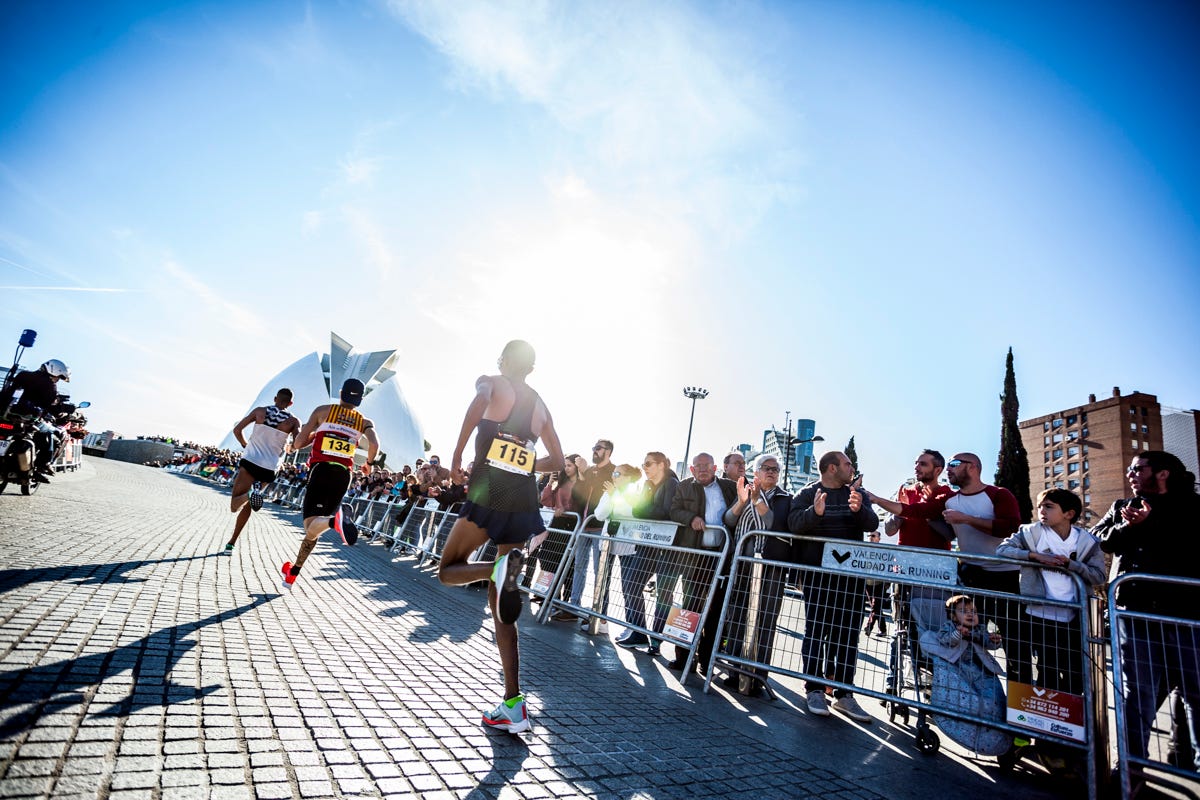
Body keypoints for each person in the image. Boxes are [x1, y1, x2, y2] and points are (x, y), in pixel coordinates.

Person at [437, 340, 565, 735]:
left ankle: (494, 568)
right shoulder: (540, 405)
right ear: (532, 367)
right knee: (501, 609)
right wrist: (527, 462)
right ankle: (514, 703)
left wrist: (458, 453)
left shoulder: (490, 381)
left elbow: (478, 405)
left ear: (504, 360)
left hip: (488, 488)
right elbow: (558, 462)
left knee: (447, 570)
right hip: (522, 497)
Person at [868, 452, 1022, 679]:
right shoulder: (948, 501)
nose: (950, 469)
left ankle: (1020, 708)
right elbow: (914, 512)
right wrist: (877, 499)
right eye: (949, 464)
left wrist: (965, 519)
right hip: (968, 574)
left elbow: (1009, 527)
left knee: (1014, 641)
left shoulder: (998, 494)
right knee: (966, 635)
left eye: (954, 464)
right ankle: (971, 693)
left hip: (1002, 575)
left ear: (973, 467)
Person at [1094, 451, 1200, 777]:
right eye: (1129, 469)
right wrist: (1128, 524)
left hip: (1186, 615)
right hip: (1134, 612)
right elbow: (1100, 539)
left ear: (1163, 473)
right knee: (1137, 693)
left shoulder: (1193, 507)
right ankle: (1130, 767)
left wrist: (1149, 523)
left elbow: (1185, 544)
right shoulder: (1123, 507)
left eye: (1138, 468)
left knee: (1195, 693)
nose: (1131, 474)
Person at [788, 450, 878, 722]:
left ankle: (845, 694)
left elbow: (872, 523)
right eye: (847, 463)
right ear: (830, 468)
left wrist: (859, 509)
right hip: (818, 576)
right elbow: (794, 525)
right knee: (816, 631)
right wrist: (814, 513)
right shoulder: (806, 494)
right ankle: (814, 688)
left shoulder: (855, 494)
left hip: (850, 578)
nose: (852, 467)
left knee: (848, 634)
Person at [996, 488, 1106, 695]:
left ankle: (1071, 720)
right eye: (1039, 506)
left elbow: (1098, 576)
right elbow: (1002, 550)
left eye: (1048, 506)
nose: (1041, 511)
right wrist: (1034, 556)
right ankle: (1048, 720)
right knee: (1047, 669)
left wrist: (1071, 565)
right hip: (1038, 614)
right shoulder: (1030, 533)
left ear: (1069, 514)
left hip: (1074, 617)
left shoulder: (1087, 541)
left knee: (1075, 673)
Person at [280, 379, 379, 589]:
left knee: (310, 525)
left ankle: (335, 522)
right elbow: (375, 444)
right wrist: (369, 464)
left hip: (321, 470)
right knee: (315, 527)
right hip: (344, 475)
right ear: (360, 400)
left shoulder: (323, 411)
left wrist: (309, 437)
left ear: (341, 393)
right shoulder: (364, 421)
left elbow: (298, 443)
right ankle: (293, 572)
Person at [719, 454, 792, 696]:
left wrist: (757, 500)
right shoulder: (744, 492)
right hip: (742, 567)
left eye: (775, 469)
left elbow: (771, 523)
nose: (771, 472)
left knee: (765, 621)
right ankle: (734, 671)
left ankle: (757, 676)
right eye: (766, 468)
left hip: (770, 568)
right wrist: (742, 502)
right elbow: (729, 519)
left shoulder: (785, 499)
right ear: (756, 472)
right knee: (737, 616)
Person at [666, 452, 736, 673]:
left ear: (715, 468)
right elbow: (674, 510)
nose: (703, 469)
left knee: (716, 610)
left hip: (722, 556)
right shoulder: (684, 486)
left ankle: (707, 660)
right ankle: (683, 657)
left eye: (707, 465)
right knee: (689, 606)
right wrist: (691, 518)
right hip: (695, 555)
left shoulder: (729, 487)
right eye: (698, 466)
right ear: (692, 470)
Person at [617, 451, 679, 654]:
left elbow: (667, 512)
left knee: (664, 593)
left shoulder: (671, 483)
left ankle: (657, 640)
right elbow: (637, 511)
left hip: (667, 547)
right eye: (643, 464)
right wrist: (648, 510)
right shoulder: (646, 485)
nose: (645, 467)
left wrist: (647, 510)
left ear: (662, 465)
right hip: (646, 545)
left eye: (649, 464)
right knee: (631, 584)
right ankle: (638, 631)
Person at [224, 389, 301, 553]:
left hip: (251, 460)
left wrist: (246, 445)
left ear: (275, 398)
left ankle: (251, 493)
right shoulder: (294, 421)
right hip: (270, 468)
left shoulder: (260, 411)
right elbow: (298, 443)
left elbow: (237, 430)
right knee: (249, 507)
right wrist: (291, 448)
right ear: (290, 403)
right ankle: (231, 543)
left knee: (234, 505)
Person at [552, 439, 615, 625]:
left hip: (599, 527)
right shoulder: (591, 471)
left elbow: (602, 488)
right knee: (579, 567)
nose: (594, 451)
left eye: (598, 448)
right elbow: (579, 493)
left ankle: (599, 615)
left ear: (608, 451)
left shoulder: (613, 471)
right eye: (593, 448)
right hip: (583, 525)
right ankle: (573, 606)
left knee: (600, 572)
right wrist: (582, 475)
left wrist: (585, 472)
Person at [0, 359, 71, 482]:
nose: (57, 380)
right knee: (56, 433)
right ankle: (43, 465)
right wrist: (63, 410)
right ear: (54, 372)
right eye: (58, 377)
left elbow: (9, 390)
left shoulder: (23, 375)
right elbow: (51, 408)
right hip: (30, 419)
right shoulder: (50, 386)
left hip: (5, 415)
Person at [862, 531, 889, 638]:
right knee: (877, 607)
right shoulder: (864, 550)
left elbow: (887, 567)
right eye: (869, 536)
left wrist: (887, 582)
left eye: (873, 536)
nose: (871, 538)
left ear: (879, 538)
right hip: (868, 583)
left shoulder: (883, 551)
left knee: (875, 606)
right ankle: (883, 630)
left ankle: (869, 627)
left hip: (879, 583)